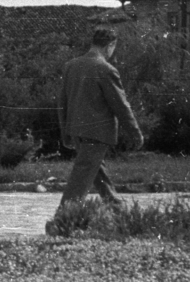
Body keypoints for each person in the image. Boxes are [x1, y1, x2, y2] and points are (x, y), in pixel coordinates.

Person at [55, 25, 142, 213]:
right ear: (110, 45)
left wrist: (65, 132)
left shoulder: (71, 66)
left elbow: (62, 103)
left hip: (77, 131)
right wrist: (135, 133)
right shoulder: (106, 69)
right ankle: (63, 217)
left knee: (97, 171)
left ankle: (117, 208)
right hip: (97, 133)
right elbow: (120, 105)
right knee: (82, 176)